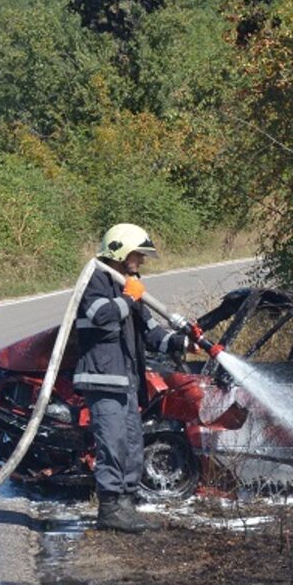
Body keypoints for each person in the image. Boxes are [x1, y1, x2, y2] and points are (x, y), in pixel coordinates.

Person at [75, 223, 187, 531]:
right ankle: (110, 509)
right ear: (120, 251)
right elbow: (100, 315)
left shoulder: (129, 286)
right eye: (138, 254)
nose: (141, 261)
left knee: (131, 444)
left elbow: (151, 333)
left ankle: (125, 504)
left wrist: (179, 342)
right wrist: (128, 298)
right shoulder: (96, 280)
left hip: (126, 382)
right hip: (103, 378)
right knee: (111, 443)